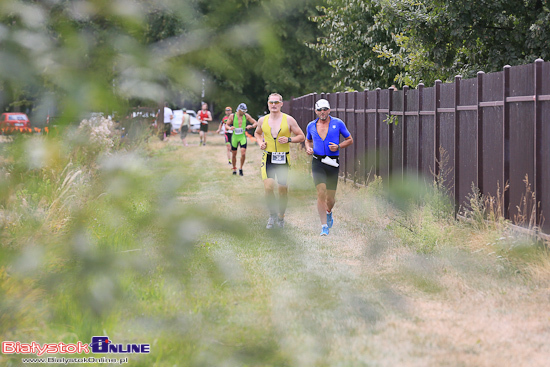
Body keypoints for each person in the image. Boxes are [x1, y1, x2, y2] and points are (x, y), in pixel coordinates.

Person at [254, 93, 305, 229]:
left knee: (282, 190)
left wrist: (289, 139)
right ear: (268, 104)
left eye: (276, 102)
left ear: (281, 104)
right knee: (268, 188)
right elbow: (257, 133)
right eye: (271, 102)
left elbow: (301, 136)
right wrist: (260, 143)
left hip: (283, 158)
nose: (274, 105)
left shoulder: (289, 120)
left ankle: (281, 217)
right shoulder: (262, 120)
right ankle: (272, 215)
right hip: (268, 158)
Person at [305, 98, 353, 236]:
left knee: (330, 199)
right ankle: (324, 226)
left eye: (325, 109)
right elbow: (307, 140)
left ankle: (329, 212)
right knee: (321, 192)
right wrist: (308, 148)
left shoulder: (338, 123)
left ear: (329, 110)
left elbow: (350, 140)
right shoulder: (311, 126)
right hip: (317, 162)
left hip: (332, 162)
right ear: (315, 111)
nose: (322, 112)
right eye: (319, 110)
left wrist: (338, 146)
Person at [226, 103, 257, 176]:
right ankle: (234, 168)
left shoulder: (246, 116)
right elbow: (226, 125)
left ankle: (240, 168)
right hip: (235, 137)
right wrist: (230, 128)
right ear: (239, 110)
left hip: (242, 136)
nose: (244, 112)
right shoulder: (232, 116)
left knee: (243, 153)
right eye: (243, 111)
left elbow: (255, 122)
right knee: (234, 154)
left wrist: (251, 126)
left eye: (245, 111)